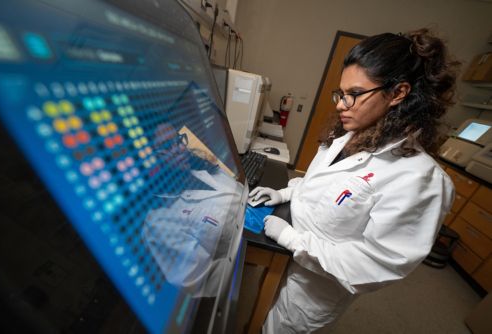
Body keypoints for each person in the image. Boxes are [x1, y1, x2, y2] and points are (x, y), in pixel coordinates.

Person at [249, 28, 459, 333]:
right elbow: (321, 187)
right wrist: (284, 193)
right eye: (341, 93)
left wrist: (294, 241)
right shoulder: (349, 136)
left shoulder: (419, 179)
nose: (340, 104)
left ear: (398, 93)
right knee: (258, 313)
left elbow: (375, 262)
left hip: (314, 288)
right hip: (283, 259)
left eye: (355, 94)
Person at [142, 123, 243, 297]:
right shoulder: (158, 222)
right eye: (168, 146)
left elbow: (240, 192)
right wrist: (246, 257)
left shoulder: (201, 169)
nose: (181, 148)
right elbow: (199, 281)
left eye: (179, 140)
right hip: (244, 272)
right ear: (149, 159)